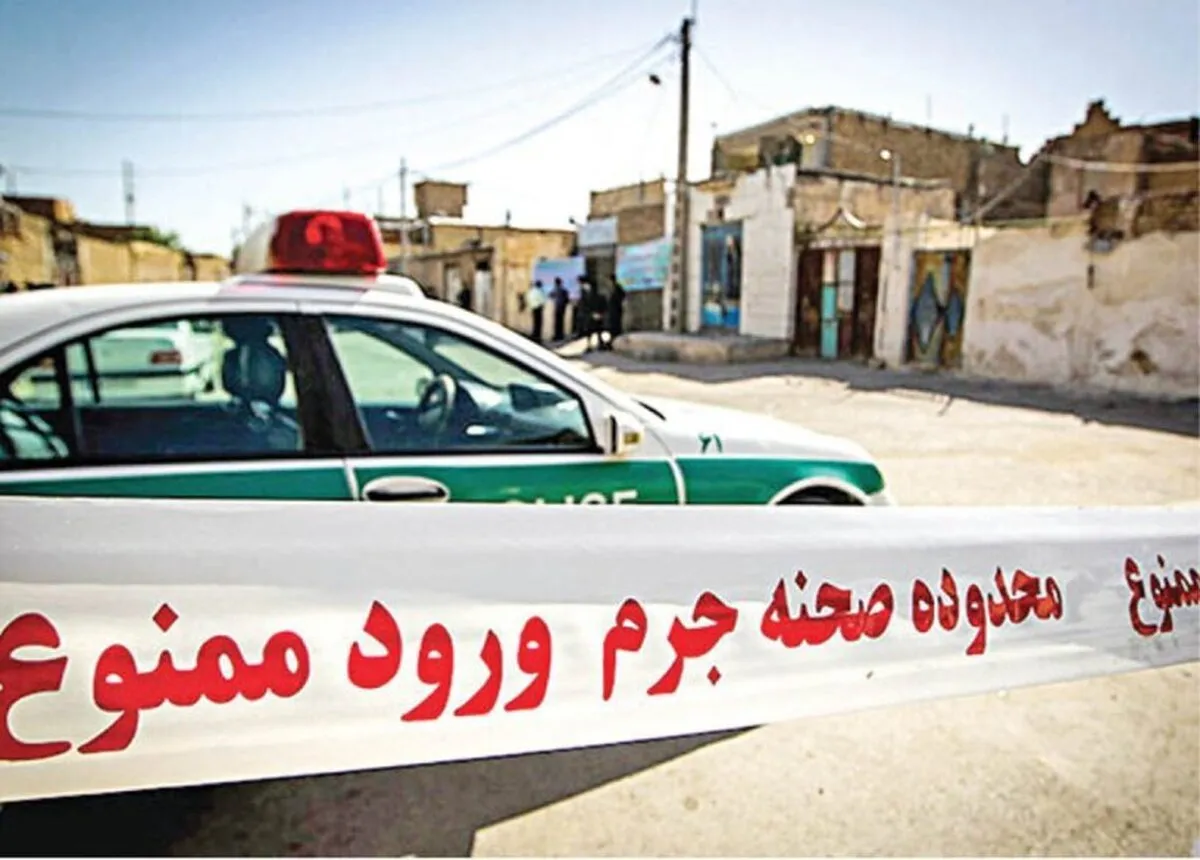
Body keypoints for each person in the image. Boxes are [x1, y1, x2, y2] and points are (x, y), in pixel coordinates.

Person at [605, 278, 627, 349]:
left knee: (616, 326)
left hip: (616, 311)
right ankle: (613, 340)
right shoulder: (612, 289)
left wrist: (618, 303)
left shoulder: (617, 288)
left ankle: (615, 341)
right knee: (612, 326)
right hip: (612, 311)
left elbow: (622, 296)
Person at [551, 277, 568, 342]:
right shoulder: (564, 290)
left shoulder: (555, 289)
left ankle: (557, 335)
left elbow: (550, 295)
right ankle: (561, 335)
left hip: (557, 307)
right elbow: (567, 299)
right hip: (562, 308)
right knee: (561, 321)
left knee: (557, 322)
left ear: (555, 283)